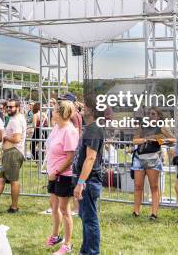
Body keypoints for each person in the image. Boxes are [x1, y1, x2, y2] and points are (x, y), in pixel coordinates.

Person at [44, 99, 79, 254]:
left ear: (60, 113)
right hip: (54, 173)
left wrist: (57, 172)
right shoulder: (57, 127)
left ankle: (67, 243)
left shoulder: (69, 131)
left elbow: (71, 157)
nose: (52, 112)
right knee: (54, 206)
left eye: (55, 110)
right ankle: (55, 235)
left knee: (64, 209)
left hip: (64, 175)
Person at [73, 97, 105, 255]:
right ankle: (86, 250)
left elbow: (90, 158)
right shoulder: (91, 127)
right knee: (86, 218)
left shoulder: (93, 129)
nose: (82, 107)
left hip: (89, 181)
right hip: (87, 180)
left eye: (85, 105)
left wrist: (80, 182)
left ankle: (92, 251)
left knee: (90, 219)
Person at [131, 107, 174, 220]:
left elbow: (173, 140)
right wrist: (146, 139)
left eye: (153, 114)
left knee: (154, 186)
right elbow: (134, 140)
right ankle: (136, 211)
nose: (150, 116)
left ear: (158, 116)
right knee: (138, 186)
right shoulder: (143, 126)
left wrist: (159, 140)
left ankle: (154, 213)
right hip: (139, 158)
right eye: (149, 114)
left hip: (153, 158)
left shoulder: (161, 127)